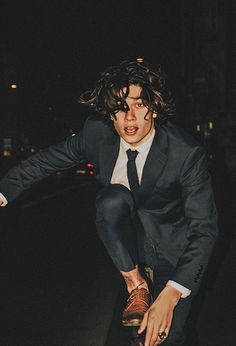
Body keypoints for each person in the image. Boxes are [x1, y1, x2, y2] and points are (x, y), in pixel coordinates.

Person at [0, 59, 218, 346]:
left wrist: (171, 293)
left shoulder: (185, 153)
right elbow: (43, 162)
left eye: (139, 105)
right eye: (120, 108)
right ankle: (135, 285)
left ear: (153, 108)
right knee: (110, 199)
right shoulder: (96, 134)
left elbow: (204, 229)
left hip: (173, 246)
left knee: (165, 334)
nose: (129, 118)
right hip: (126, 243)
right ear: (108, 113)